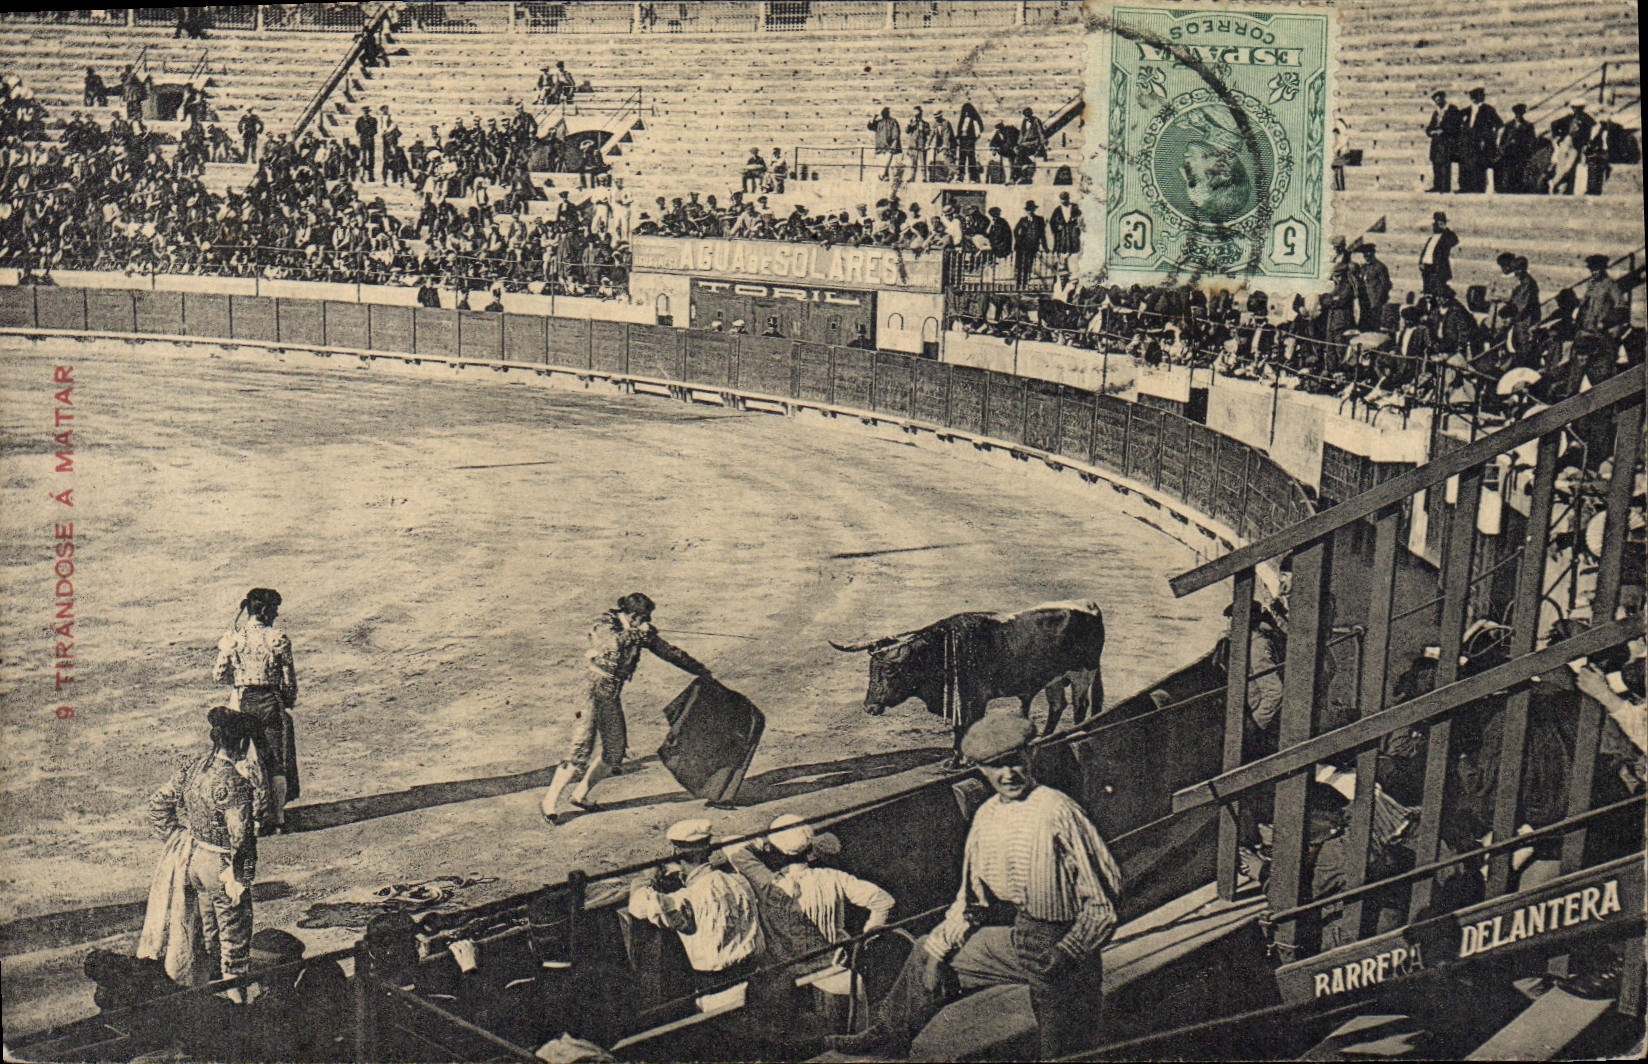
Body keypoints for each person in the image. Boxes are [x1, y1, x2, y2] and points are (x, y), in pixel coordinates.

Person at [825, 710, 1121, 1060]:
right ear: (980, 769)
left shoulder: (1057, 810)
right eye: (995, 765)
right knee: (925, 950)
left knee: (1064, 1050)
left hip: (1065, 945)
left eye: (1014, 761)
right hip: (1021, 939)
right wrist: (938, 955)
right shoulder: (987, 815)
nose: (1007, 774)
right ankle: (889, 1036)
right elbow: (970, 901)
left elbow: (1103, 901)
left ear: (1031, 754)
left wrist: (1068, 953)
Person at [540, 593, 712, 823]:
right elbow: (609, 643)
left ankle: (580, 794)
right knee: (580, 748)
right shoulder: (605, 623)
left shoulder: (638, 630)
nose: (647, 621)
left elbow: (669, 652)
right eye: (643, 617)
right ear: (632, 615)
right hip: (591, 691)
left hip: (611, 693)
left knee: (615, 750)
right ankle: (549, 802)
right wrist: (638, 633)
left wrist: (700, 670)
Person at [145, 706, 259, 997]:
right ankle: (236, 1003)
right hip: (221, 866)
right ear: (242, 743)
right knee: (234, 941)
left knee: (211, 935)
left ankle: (210, 996)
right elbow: (240, 837)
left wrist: (176, 837)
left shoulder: (193, 768)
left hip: (193, 860)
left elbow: (158, 804)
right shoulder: (234, 782)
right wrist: (240, 879)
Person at [728, 814, 894, 961]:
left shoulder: (768, 884)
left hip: (789, 968)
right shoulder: (834, 877)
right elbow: (884, 901)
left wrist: (762, 844)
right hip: (836, 963)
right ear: (809, 850)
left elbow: (731, 845)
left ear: (775, 851)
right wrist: (869, 935)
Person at [626, 819, 765, 992]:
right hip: (755, 978)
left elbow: (638, 906)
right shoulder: (739, 881)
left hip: (717, 988)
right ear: (708, 849)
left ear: (675, 852)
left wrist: (646, 879)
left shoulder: (688, 898)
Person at [214, 588, 298, 835]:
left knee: (243, 760)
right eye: (274, 610)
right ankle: (278, 818)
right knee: (274, 762)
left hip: (241, 703)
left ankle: (250, 816)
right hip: (270, 703)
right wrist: (287, 701)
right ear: (264, 611)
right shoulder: (277, 638)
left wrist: (238, 679)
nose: (276, 615)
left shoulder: (234, 639)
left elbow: (219, 675)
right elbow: (289, 682)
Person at [1573, 253, 1629, 386]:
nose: (1594, 273)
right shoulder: (1592, 285)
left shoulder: (1611, 285)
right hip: (1588, 331)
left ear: (1603, 269)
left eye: (1596, 269)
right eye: (1592, 270)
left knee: (1603, 368)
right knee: (1580, 363)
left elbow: (1621, 308)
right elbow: (1584, 306)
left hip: (1603, 334)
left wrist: (1605, 322)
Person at [1498, 252, 1540, 368]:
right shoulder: (1523, 283)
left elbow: (1521, 305)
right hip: (1520, 320)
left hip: (1526, 321)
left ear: (1521, 270)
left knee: (1523, 348)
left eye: (1516, 270)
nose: (1515, 273)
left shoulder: (1527, 283)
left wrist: (1509, 314)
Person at [1457, 87, 1501, 193]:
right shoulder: (1466, 110)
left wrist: (1491, 138)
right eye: (1472, 96)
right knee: (1464, 163)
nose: (1473, 98)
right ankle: (1464, 187)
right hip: (1467, 142)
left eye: (1476, 96)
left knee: (1478, 164)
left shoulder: (1488, 110)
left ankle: (1478, 188)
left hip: (1480, 142)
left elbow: (1499, 124)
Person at [1424, 90, 1462, 193]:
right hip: (1436, 142)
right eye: (1435, 101)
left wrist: (1444, 130)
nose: (1437, 103)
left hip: (1447, 142)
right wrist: (1430, 132)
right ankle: (1437, 185)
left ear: (1443, 98)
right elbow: (1429, 127)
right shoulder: (1436, 112)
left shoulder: (1452, 110)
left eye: (1439, 100)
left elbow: (1456, 125)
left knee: (1445, 164)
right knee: (1436, 163)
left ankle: (1445, 187)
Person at [1496, 103, 1536, 194]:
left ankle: (1518, 188)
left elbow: (1532, 140)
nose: (1519, 115)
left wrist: (1528, 150)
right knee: (1509, 171)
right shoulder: (1509, 125)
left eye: (1520, 112)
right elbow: (1503, 140)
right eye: (1517, 113)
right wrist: (1502, 150)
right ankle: (1508, 188)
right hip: (1509, 153)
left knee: (1520, 172)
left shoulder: (1528, 126)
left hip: (1521, 153)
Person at [1417, 211, 1456, 297]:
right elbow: (1425, 251)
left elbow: (1454, 240)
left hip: (1438, 268)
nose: (1435, 225)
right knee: (1427, 292)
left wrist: (1445, 228)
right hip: (1427, 268)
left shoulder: (1445, 237)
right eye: (1435, 223)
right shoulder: (1431, 238)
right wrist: (1421, 262)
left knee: (1438, 291)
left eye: (1438, 223)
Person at [1353, 243, 1391, 331]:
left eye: (1369, 254)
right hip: (1364, 301)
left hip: (1374, 302)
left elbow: (1386, 285)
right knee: (1363, 325)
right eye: (1365, 255)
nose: (1366, 257)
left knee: (1374, 325)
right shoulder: (1364, 267)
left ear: (1373, 253)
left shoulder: (1380, 267)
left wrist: (1378, 300)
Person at [1013, 200, 1047, 289]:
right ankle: (1018, 284)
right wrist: (1019, 240)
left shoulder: (1039, 220)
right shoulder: (1022, 220)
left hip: (1032, 246)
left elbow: (1042, 234)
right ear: (1026, 210)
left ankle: (1025, 284)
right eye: (1028, 210)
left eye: (1031, 209)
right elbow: (1015, 231)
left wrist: (1045, 247)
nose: (1030, 211)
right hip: (1021, 246)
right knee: (1019, 265)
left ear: (1034, 210)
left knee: (1028, 265)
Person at [868, 107, 901, 181]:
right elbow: (870, 127)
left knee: (885, 166)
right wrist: (874, 117)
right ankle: (885, 178)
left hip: (888, 147)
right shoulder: (879, 122)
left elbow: (895, 135)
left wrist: (894, 145)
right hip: (880, 147)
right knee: (882, 166)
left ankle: (883, 176)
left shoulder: (892, 122)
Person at [957, 100, 984, 182]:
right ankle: (960, 176)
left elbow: (979, 129)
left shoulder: (974, 120)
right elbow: (959, 130)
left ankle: (972, 177)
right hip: (962, 140)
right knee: (962, 159)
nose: (966, 113)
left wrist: (974, 137)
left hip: (970, 140)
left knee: (971, 158)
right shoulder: (962, 119)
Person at [1049, 191, 1081, 256]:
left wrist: (1076, 222)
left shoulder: (1075, 207)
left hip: (1072, 232)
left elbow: (1080, 216)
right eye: (1062, 200)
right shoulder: (1057, 210)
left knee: (1074, 251)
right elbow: (1052, 222)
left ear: (1068, 199)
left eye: (1065, 199)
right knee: (1062, 251)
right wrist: (1057, 228)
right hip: (1062, 234)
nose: (1063, 201)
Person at [905, 106, 930, 182]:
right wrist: (909, 124)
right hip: (913, 146)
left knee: (923, 163)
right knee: (913, 163)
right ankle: (912, 177)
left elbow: (928, 132)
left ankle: (924, 177)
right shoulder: (911, 123)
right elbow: (907, 131)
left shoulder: (925, 123)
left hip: (921, 145)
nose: (917, 117)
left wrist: (922, 128)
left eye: (918, 115)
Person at [355, 107, 379, 182]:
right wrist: (360, 134)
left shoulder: (373, 120)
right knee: (363, 157)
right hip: (362, 140)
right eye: (364, 112)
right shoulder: (359, 120)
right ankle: (362, 175)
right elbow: (357, 129)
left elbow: (375, 130)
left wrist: (370, 135)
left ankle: (371, 176)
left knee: (371, 158)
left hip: (370, 140)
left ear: (369, 112)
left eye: (367, 112)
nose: (365, 113)